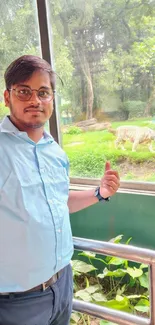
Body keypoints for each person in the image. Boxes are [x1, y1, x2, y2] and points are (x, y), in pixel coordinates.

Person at [0, 55, 120, 325]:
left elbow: (59, 202)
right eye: (24, 91)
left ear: (52, 99)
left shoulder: (54, 152)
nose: (35, 100)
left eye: (43, 92)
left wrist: (99, 192)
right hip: (16, 302)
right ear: (7, 97)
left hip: (62, 284)